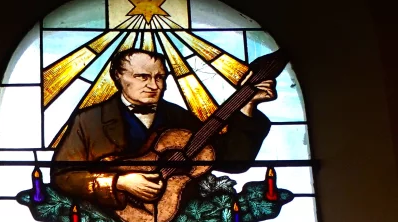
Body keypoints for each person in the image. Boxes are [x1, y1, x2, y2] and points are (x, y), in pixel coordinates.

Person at [52, 48, 276, 210]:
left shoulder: (177, 117)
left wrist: (247, 106)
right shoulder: (89, 120)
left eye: (160, 77)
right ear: (118, 77)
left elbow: (231, 161)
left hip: (178, 216)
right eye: (142, 77)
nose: (153, 85)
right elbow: (63, 176)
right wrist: (119, 182)